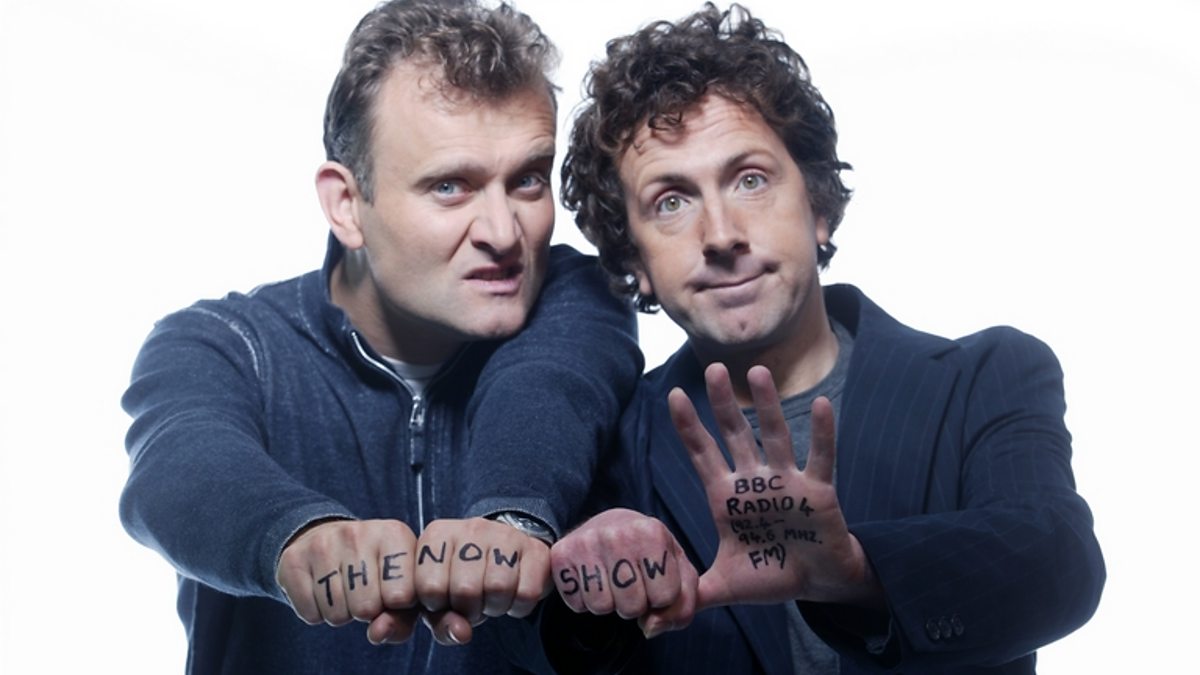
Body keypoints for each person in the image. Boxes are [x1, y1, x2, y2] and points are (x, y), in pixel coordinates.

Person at [541, 3, 1105, 673]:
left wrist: (855, 572)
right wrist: (583, 579)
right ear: (634, 257)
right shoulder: (610, 433)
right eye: (671, 201)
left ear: (819, 208)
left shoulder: (985, 374)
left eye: (750, 180)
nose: (720, 234)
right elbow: (547, 644)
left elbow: (1058, 559)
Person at [118, 1, 641, 672]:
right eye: (450, 186)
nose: (504, 233)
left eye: (527, 180)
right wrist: (297, 537)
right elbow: (180, 468)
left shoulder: (578, 297)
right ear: (346, 204)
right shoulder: (224, 345)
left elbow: (548, 386)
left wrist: (509, 521)